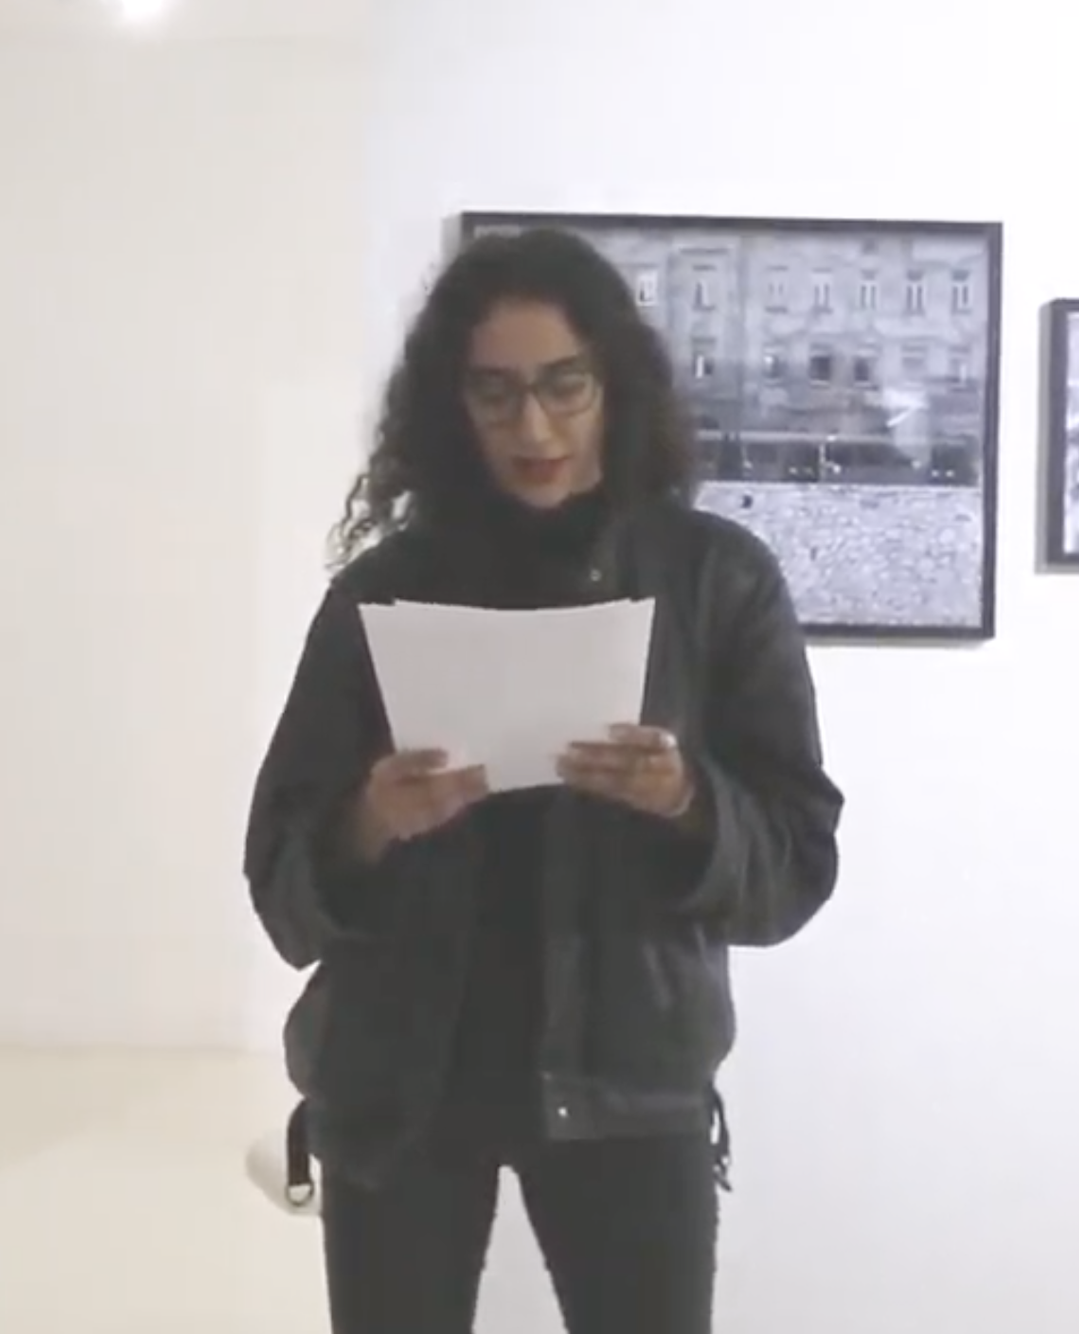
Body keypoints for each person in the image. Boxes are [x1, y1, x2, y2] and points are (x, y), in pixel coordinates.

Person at [243, 227, 844, 1334]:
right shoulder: (384, 589)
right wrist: (369, 823)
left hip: (632, 1082)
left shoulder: (717, 582)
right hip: (396, 1079)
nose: (532, 427)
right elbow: (279, 875)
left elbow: (797, 865)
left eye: (563, 386)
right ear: (449, 407)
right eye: (494, 394)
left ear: (614, 383)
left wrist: (686, 802)